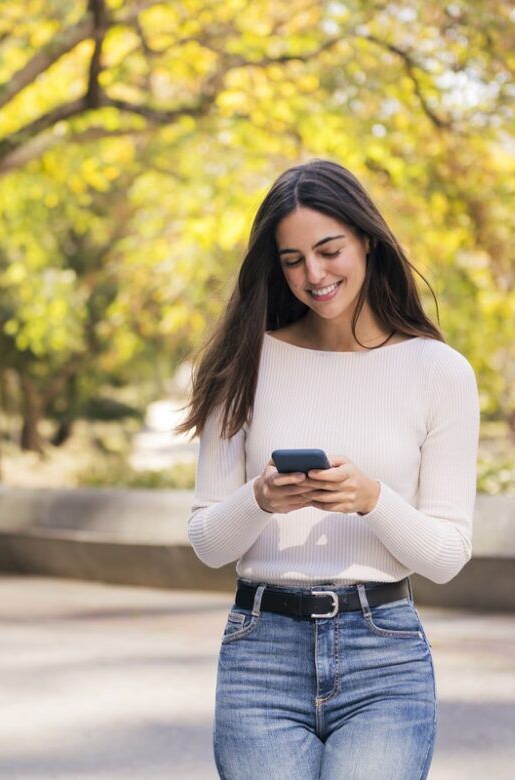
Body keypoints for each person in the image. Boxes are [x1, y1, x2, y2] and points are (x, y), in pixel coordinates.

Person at [175, 158, 479, 780]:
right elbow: (207, 540)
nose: (313, 275)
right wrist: (260, 499)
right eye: (291, 260)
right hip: (261, 655)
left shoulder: (440, 372)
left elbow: (448, 554)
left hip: (385, 656)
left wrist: (372, 498)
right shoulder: (243, 363)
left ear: (367, 239)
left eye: (329, 249)